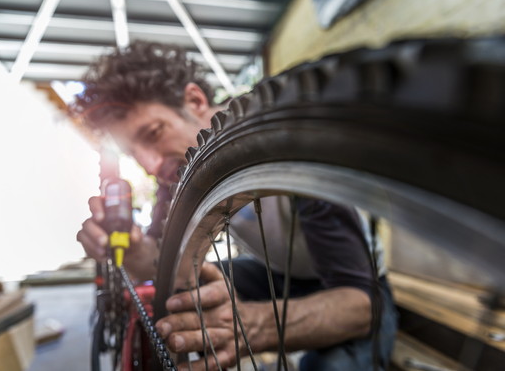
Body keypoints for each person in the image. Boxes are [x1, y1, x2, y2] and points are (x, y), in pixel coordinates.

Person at [71, 40, 397, 371]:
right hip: (275, 273)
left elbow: (361, 304)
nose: (150, 165)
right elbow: (165, 266)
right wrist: (132, 249)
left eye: (154, 133)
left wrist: (252, 327)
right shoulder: (176, 172)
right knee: (182, 296)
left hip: (355, 289)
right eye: (133, 153)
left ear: (195, 100)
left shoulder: (288, 137)